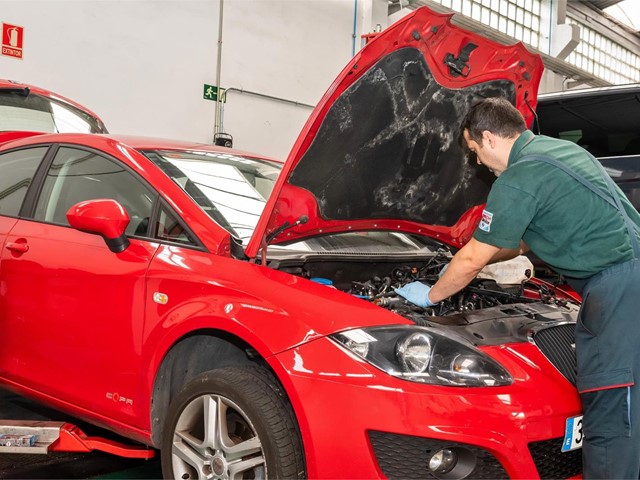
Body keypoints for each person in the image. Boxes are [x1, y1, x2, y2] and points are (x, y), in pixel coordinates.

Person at [395, 96, 640, 479]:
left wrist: (431, 294)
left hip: (618, 292)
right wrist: (459, 264)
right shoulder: (562, 152)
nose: (477, 162)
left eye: (474, 151)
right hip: (627, 281)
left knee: (612, 417)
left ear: (489, 138)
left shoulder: (520, 176)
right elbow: (519, 241)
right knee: (631, 411)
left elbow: (476, 256)